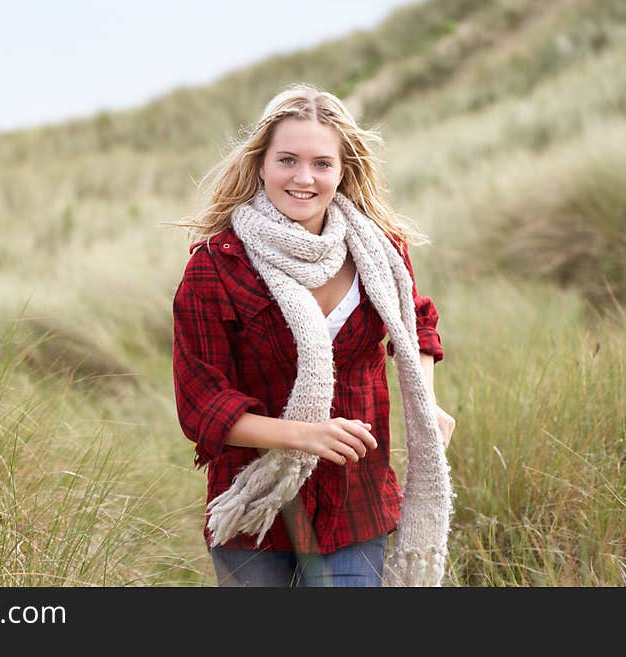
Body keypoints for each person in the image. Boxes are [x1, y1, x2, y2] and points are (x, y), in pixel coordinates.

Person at [170, 83, 456, 587]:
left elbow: (417, 322)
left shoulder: (380, 251)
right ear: (261, 164)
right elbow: (202, 405)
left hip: (357, 500)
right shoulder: (215, 267)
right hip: (255, 514)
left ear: (342, 171)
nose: (304, 178)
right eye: (287, 160)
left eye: (322, 163)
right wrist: (306, 436)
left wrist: (427, 404)